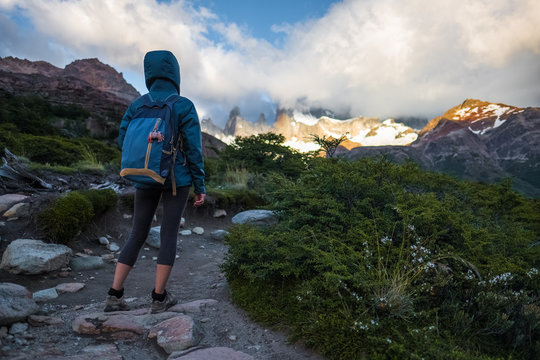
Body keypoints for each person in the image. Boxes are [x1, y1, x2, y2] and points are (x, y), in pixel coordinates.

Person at [104, 50, 206, 313]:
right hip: (176, 179)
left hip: (145, 176)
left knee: (137, 232)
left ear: (149, 73)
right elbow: (194, 150)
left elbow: (122, 142)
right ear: (174, 73)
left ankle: (114, 295)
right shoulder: (183, 105)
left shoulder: (137, 105)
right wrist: (200, 187)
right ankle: (158, 299)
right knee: (168, 233)